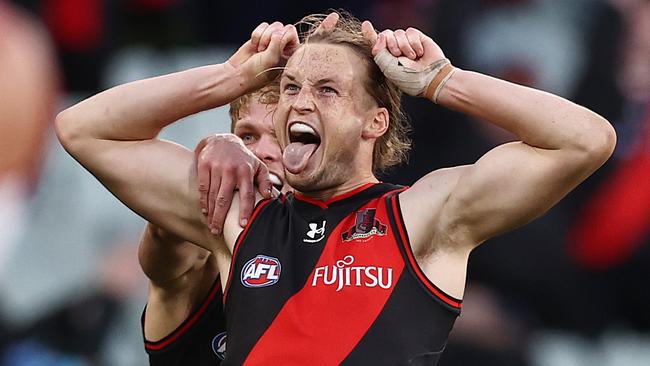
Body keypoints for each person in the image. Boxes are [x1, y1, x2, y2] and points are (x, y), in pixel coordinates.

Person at [55, 11, 616, 365]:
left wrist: (444, 82)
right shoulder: (241, 212)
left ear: (375, 121)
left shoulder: (421, 217)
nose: (299, 101)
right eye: (292, 86)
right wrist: (231, 79)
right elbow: (82, 129)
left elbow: (585, 141)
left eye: (327, 90)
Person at [139, 84, 286, 365]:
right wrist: (230, 76)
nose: (261, 153)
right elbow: (84, 130)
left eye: (281, 137)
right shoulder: (198, 257)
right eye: (247, 136)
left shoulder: (346, 259)